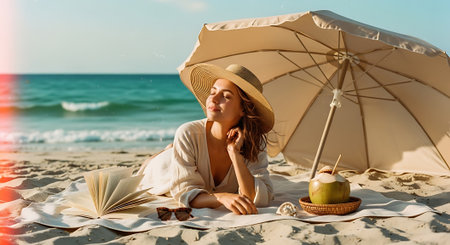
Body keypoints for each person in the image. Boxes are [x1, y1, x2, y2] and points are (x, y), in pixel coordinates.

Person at [138, 63, 274, 215]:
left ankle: (171, 149)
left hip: (188, 155)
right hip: (165, 169)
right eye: (212, 92)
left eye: (226, 96)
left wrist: (235, 156)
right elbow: (185, 193)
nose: (214, 99)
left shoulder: (255, 142)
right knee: (150, 166)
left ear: (243, 108)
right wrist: (221, 197)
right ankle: (162, 154)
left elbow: (258, 197)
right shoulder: (188, 132)